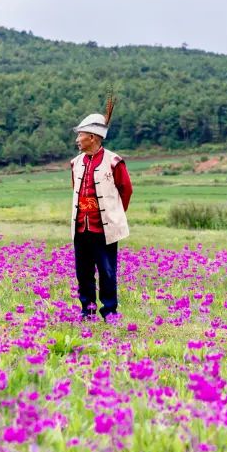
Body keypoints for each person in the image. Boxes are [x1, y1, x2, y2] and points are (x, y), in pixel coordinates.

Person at [70, 109, 132, 321]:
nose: (77, 140)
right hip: (81, 227)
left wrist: (113, 214)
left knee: (107, 272)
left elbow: (126, 190)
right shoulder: (75, 163)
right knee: (83, 273)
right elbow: (76, 192)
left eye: (80, 135)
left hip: (103, 228)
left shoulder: (114, 161)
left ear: (92, 137)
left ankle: (110, 312)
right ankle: (87, 311)